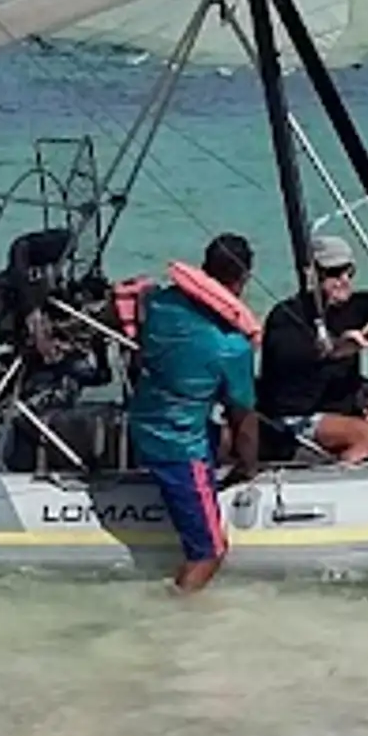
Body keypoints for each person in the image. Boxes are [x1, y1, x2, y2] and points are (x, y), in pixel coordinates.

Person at [125, 231, 261, 594]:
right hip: (176, 448)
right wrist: (248, 467)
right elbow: (243, 416)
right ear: (243, 279)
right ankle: (173, 615)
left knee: (222, 433)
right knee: (211, 552)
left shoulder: (159, 304)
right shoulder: (232, 346)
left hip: (140, 423)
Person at [257, 230, 368, 465]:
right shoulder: (286, 317)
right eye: (334, 273)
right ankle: (340, 477)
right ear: (311, 275)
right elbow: (291, 358)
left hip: (345, 413)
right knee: (366, 435)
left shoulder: (353, 308)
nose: (344, 280)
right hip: (294, 418)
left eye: (349, 271)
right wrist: (336, 350)